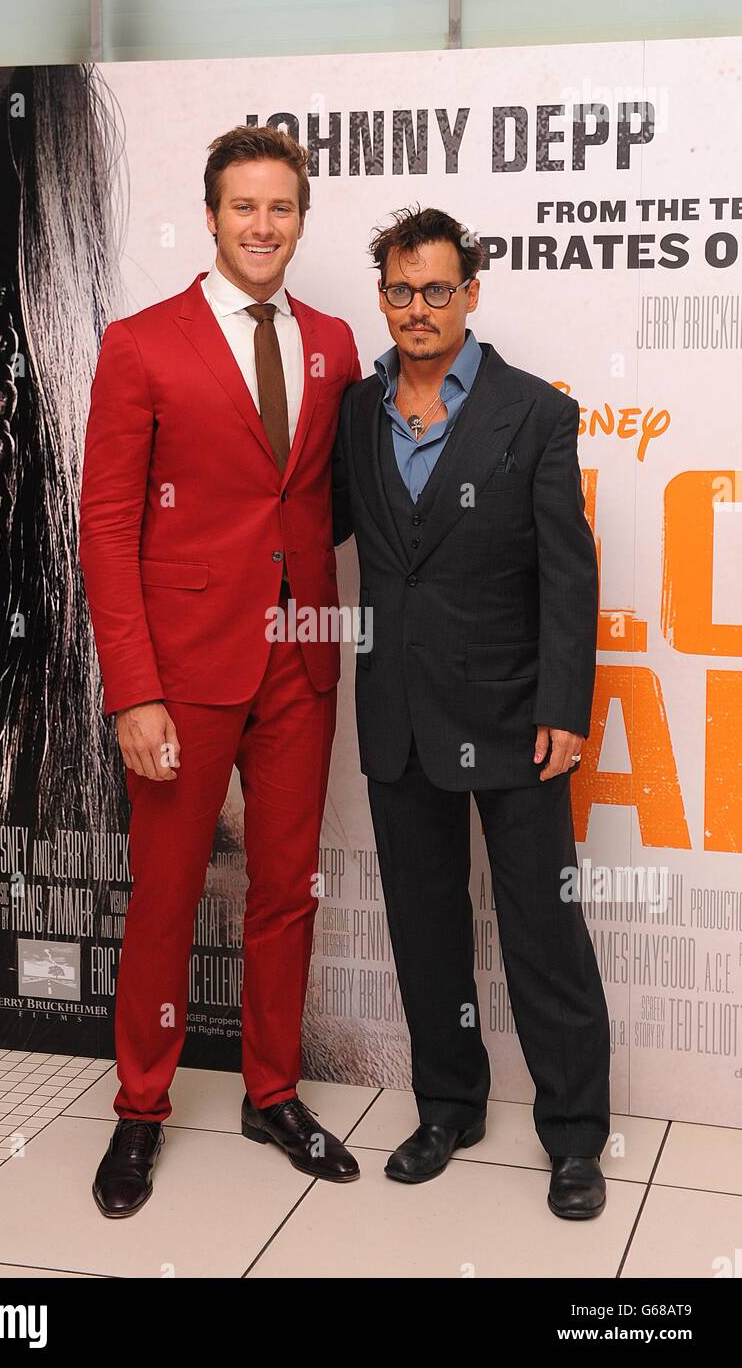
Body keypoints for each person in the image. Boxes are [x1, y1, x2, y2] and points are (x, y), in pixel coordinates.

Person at [79, 126, 362, 1217]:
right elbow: (107, 528)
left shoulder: (335, 342)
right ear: (210, 215)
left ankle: (271, 1092)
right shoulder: (143, 343)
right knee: (166, 898)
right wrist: (133, 688)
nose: (261, 226)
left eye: (280, 208)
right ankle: (141, 1110)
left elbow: (327, 499)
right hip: (183, 672)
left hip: (300, 663)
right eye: (243, 207)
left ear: (301, 217)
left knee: (286, 891)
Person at [332, 205, 610, 1218]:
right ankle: (447, 1103)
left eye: (437, 289)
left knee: (544, 931)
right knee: (426, 924)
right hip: (398, 715)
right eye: (401, 290)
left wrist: (565, 706)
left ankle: (576, 1137)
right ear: (384, 297)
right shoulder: (356, 414)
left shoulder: (534, 413)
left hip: (514, 717)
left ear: (471, 295)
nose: (418, 307)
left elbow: (565, 575)